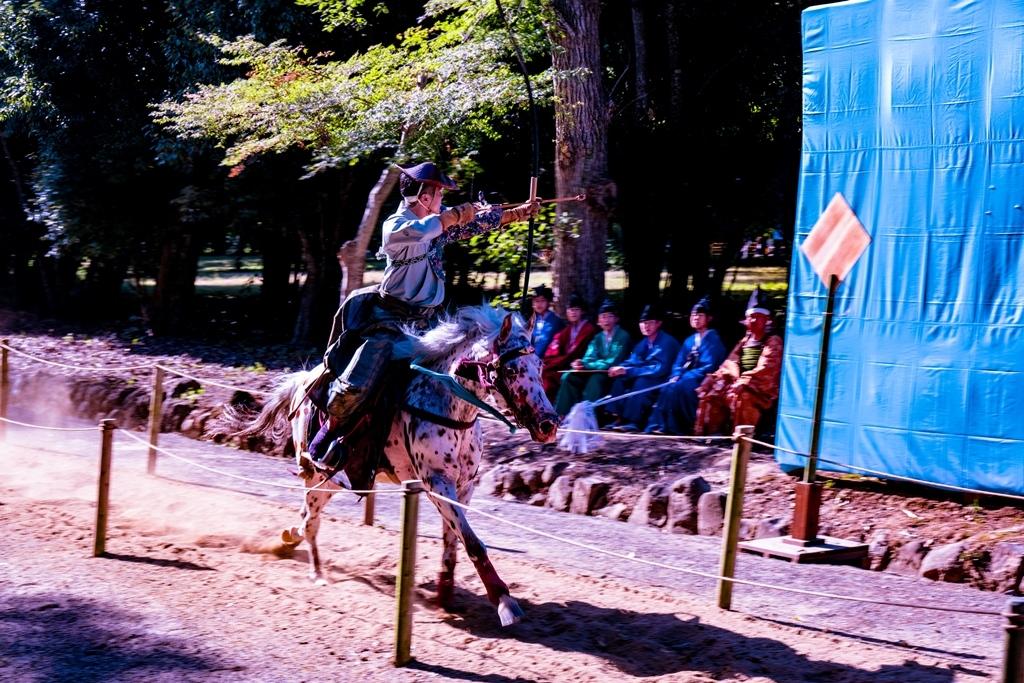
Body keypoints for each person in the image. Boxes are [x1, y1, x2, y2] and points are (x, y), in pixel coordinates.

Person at [308, 161, 540, 474]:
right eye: (439, 193)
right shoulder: (397, 226)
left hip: (427, 323)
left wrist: (518, 213)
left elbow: (471, 224)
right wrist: (454, 215)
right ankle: (328, 435)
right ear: (423, 196)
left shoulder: (436, 225)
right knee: (359, 379)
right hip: (389, 320)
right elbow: (430, 228)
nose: (442, 199)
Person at [695, 286, 783, 436]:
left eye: (758, 317)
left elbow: (768, 368)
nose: (753, 320)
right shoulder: (745, 341)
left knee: (742, 397)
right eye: (751, 317)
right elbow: (730, 363)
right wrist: (713, 378)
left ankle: (741, 439)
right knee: (712, 391)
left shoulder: (773, 341)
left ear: (767, 320)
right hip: (738, 383)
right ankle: (713, 436)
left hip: (759, 389)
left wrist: (744, 381)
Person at [645, 296, 727, 435]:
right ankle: (660, 425)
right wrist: (676, 374)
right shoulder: (689, 340)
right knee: (668, 386)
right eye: (693, 315)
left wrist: (685, 376)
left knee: (682, 387)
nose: (696, 318)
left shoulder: (713, 340)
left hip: (704, 379)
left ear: (709, 318)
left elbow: (709, 366)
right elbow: (679, 362)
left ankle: (681, 427)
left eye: (700, 315)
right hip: (685, 377)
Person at [603, 303, 680, 432]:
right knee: (620, 379)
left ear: (658, 323)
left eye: (650, 322)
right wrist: (620, 368)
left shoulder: (667, 342)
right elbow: (634, 361)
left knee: (641, 382)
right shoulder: (643, 343)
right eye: (643, 323)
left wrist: (629, 371)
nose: (646, 326)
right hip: (646, 374)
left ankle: (634, 421)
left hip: (663, 378)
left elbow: (659, 369)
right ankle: (618, 417)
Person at [554, 299, 631, 418]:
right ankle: (562, 414)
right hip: (594, 370)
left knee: (596, 379)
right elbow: (588, 357)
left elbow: (613, 361)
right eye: (603, 317)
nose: (606, 320)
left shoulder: (623, 336)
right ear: (598, 321)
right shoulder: (598, 337)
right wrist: (581, 363)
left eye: (610, 316)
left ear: (616, 319)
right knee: (568, 376)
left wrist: (588, 364)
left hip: (612, 373)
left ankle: (587, 415)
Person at [541, 294, 597, 399]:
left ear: (582, 312)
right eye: (570, 310)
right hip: (566, 364)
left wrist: (555, 363)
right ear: (567, 312)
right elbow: (554, 348)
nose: (573, 313)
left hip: (580, 367)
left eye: (576, 310)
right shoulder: (567, 330)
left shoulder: (588, 329)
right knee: (545, 372)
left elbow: (574, 354)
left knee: (549, 372)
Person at [527, 285, 564, 357]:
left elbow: (543, 343)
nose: (539, 304)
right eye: (536, 301)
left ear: (548, 302)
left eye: (542, 300)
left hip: (548, 358)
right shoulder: (534, 320)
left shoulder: (555, 321)